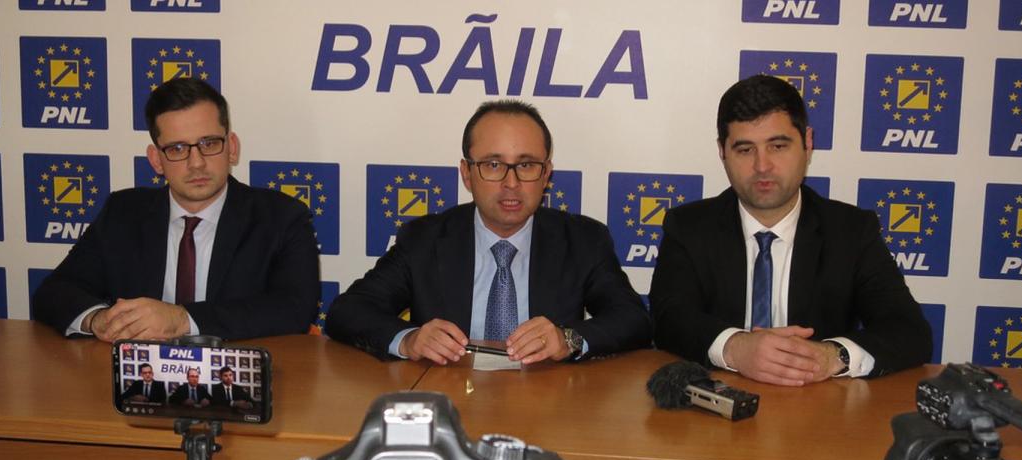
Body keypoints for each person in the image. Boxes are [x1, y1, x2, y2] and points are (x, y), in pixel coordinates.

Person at [649, 75, 931, 386]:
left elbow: (909, 330)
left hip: (818, 403)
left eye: (778, 146)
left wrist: (831, 356)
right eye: (745, 150)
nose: (762, 166)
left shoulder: (851, 231)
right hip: (719, 401)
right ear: (722, 152)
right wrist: (735, 348)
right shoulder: (688, 227)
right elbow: (669, 320)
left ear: (807, 143)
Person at [325, 100, 651, 365]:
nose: (511, 183)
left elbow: (632, 319)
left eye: (526, 165)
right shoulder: (425, 239)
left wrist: (569, 339)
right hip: (450, 396)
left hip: (548, 401)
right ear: (467, 174)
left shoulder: (582, 240)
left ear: (546, 175)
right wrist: (409, 339)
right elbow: (348, 311)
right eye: (493, 165)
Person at [31, 78, 320, 342]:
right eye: (177, 149)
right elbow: (54, 291)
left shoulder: (282, 218)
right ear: (156, 160)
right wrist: (97, 320)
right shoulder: (122, 213)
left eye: (209, 143)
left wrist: (182, 320)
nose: (196, 163)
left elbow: (295, 309)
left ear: (231, 148)